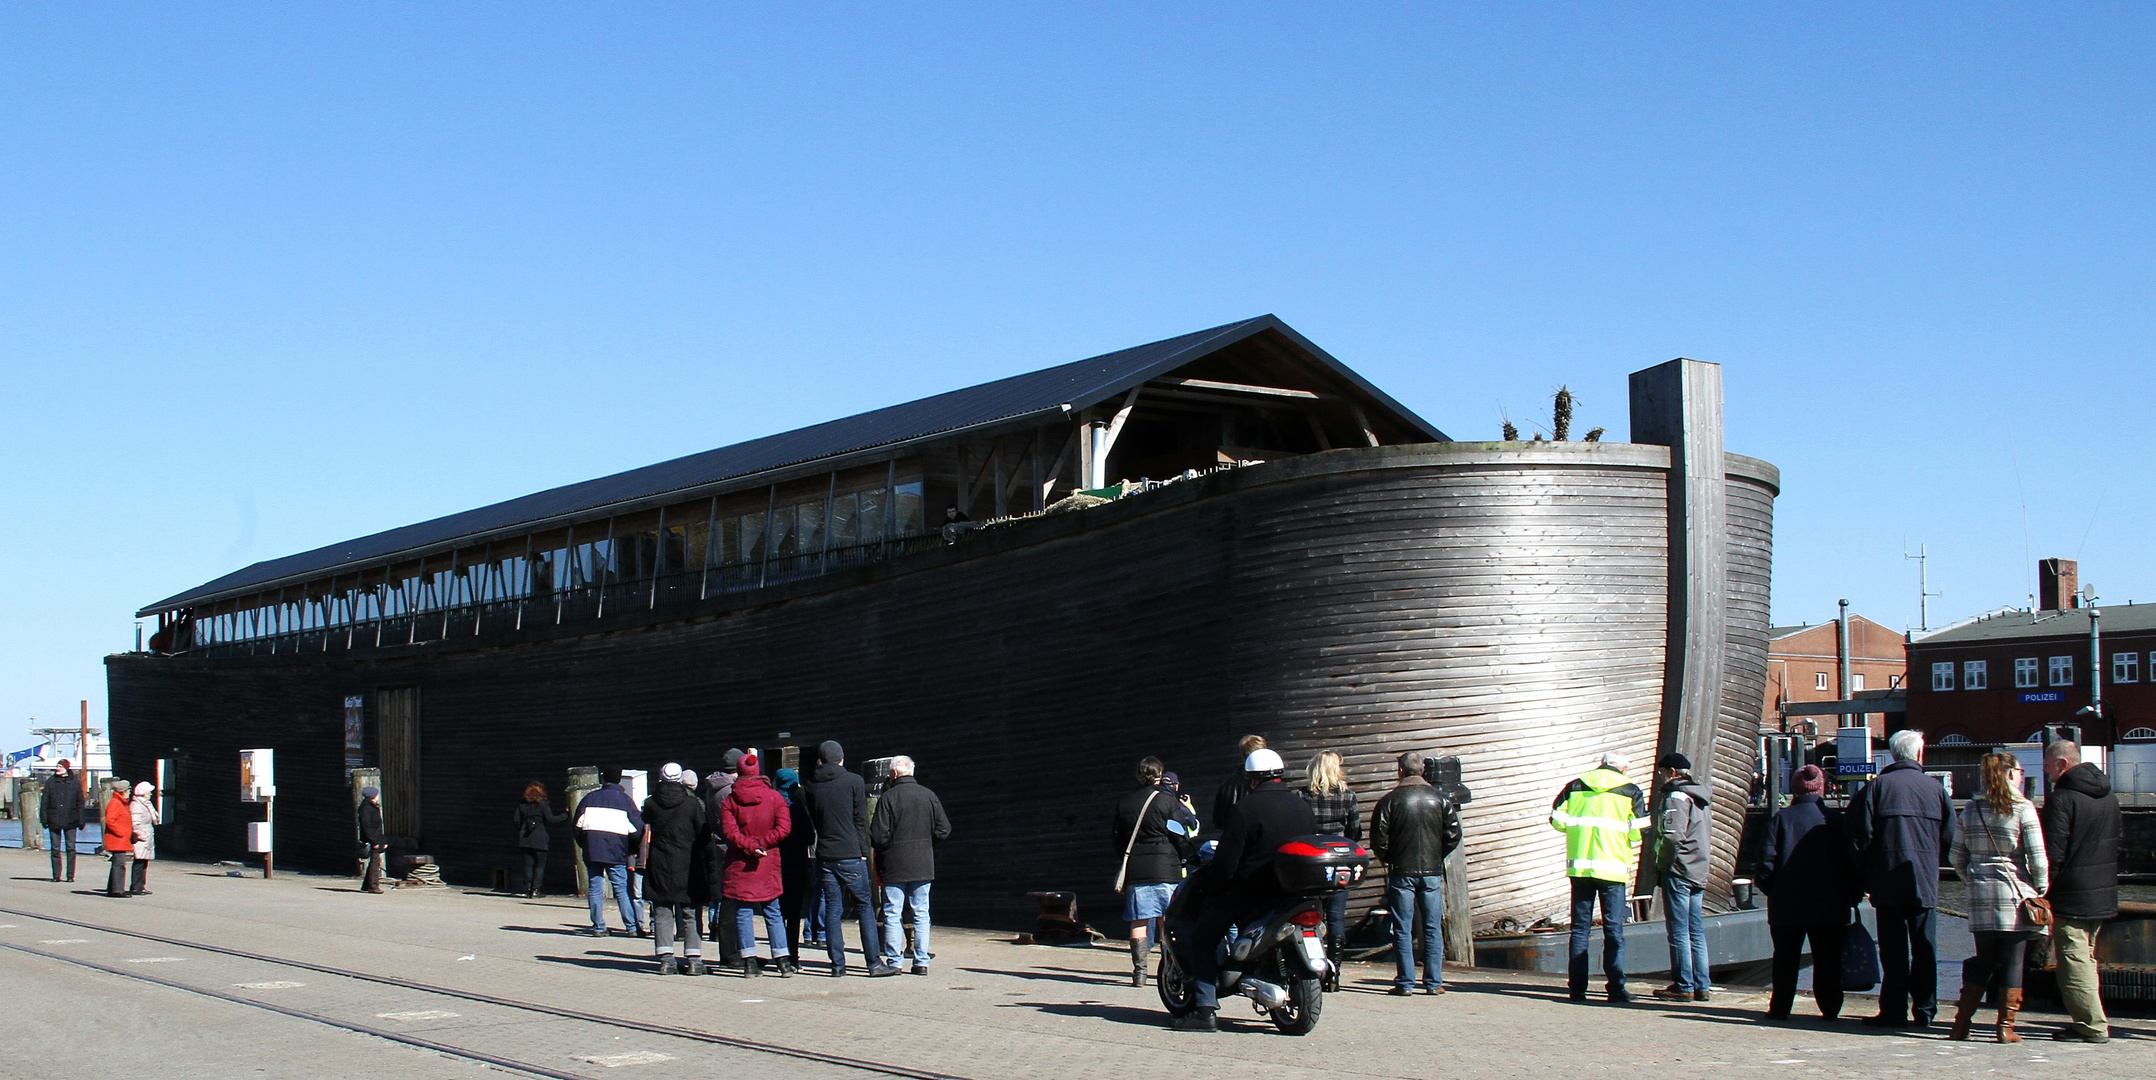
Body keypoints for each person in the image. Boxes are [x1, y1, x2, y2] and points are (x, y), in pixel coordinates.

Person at [1168, 748, 1317, 1032]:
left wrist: (1217, 888)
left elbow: (1227, 860)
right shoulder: (1301, 805)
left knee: (1201, 937)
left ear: (1251, 778)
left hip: (1251, 893)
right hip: (1291, 894)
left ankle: (1204, 1010)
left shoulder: (1245, 808)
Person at [1846, 728, 1953, 1028]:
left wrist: (1865, 877)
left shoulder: (1876, 789)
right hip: (1925, 882)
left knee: (1893, 951)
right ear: (1919, 753)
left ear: (1893, 755)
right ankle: (1926, 1009)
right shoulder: (1936, 790)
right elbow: (1950, 838)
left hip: (1887, 881)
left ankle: (1893, 1009)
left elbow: (1858, 839)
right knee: (1925, 948)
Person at [1945, 752, 2047, 1042]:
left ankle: (1961, 1023)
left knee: (1984, 960)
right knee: (2013, 961)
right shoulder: (2023, 808)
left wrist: (1971, 879)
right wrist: (2039, 888)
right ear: (2012, 773)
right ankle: (2005, 1027)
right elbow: (2037, 858)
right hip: (2014, 894)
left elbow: (1955, 856)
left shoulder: (1972, 809)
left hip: (1980, 894)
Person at [1550, 751, 1648, 1003]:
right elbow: (1639, 831)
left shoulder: (1575, 786)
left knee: (1580, 929)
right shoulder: (1630, 790)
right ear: (1622, 769)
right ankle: (1616, 989)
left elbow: (1557, 820)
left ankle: (1577, 989)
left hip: (1580, 868)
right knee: (1613, 929)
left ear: (1601, 764)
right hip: (1613, 868)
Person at [2040, 738, 2121, 1043]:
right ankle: (2091, 1019)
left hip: (2072, 894)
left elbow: (2054, 852)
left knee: (2073, 961)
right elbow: (2118, 842)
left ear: (2062, 763)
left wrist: (2046, 890)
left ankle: (2091, 1025)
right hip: (2102, 890)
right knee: (2086, 956)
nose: (2045, 770)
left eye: (2048, 764)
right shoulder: (2109, 796)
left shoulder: (2062, 798)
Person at [1759, 764, 1854, 1021]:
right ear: (1821, 787)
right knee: (1828, 959)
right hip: (1830, 904)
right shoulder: (1836, 821)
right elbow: (1851, 862)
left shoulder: (1781, 819)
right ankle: (1830, 1007)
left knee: (1785, 959)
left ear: (1795, 789)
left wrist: (1773, 890)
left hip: (1787, 904)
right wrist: (1851, 894)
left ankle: (1780, 1008)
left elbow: (1766, 862)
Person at [1369, 751, 1464, 997]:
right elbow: (1453, 834)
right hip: (1431, 870)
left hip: (1401, 871)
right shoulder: (1440, 799)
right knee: (1432, 926)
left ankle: (1405, 982)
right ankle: (1433, 982)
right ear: (1422, 770)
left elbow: (1378, 839)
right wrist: (1437, 854)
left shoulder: (1389, 801)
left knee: (1402, 927)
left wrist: (1388, 859)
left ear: (1400, 771)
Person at [804, 741, 896, 977]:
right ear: (841, 758)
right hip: (851, 851)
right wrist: (864, 851)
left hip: (826, 852)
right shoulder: (854, 781)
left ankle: (837, 965)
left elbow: (815, 818)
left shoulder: (811, 785)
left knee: (833, 908)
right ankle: (873, 963)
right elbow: (860, 820)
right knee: (864, 906)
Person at [1113, 756, 1199, 987]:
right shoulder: (1167, 802)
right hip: (1165, 867)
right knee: (1166, 920)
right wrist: (1186, 856)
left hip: (1137, 869)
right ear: (1160, 775)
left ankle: (1139, 973)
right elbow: (1179, 834)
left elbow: (1118, 839)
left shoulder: (1125, 802)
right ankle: (1167, 968)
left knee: (1138, 920)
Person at [871, 755, 952, 976]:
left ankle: (895, 962)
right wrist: (926, 844)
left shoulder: (888, 798)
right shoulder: (929, 796)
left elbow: (878, 835)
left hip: (894, 864)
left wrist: (888, 848)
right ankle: (921, 961)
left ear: (894, 774)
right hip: (922, 863)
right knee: (921, 913)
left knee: (892, 912)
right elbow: (943, 829)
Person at [723, 753, 794, 977]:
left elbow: (729, 832)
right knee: (773, 910)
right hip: (767, 861)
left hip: (740, 862)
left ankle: (749, 963)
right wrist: (761, 844)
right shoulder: (775, 798)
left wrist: (749, 846)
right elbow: (784, 828)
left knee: (743, 911)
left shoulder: (730, 800)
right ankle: (783, 961)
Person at [1651, 752, 1713, 1003]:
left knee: (1678, 930)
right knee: (1695, 929)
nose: (1659, 776)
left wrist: (1663, 863)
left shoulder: (1676, 797)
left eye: (1661, 771)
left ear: (1672, 772)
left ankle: (1683, 985)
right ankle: (1702, 984)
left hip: (1679, 869)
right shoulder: (1700, 796)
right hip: (1698, 867)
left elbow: (1672, 836)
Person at [1300, 750, 1363, 974]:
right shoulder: (1348, 796)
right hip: (1340, 860)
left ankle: (1315, 965)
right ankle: (1334, 970)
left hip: (1312, 860)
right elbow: (1355, 831)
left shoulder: (1303, 796)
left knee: (1313, 915)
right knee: (1336, 916)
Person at [642, 763, 707, 975]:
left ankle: (666, 959)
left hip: (660, 862)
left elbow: (642, 824)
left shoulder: (651, 804)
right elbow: (703, 833)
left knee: (662, 910)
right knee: (690, 911)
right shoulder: (692, 804)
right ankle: (694, 960)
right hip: (687, 863)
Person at [575, 768, 645, 937]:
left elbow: (576, 827)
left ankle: (599, 927)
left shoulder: (589, 798)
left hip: (592, 849)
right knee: (621, 888)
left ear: (602, 778)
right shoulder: (625, 801)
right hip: (616, 850)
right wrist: (631, 848)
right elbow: (638, 828)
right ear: (620, 780)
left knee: (595, 887)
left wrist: (584, 844)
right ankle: (632, 927)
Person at [700, 752, 743, 967]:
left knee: (728, 899)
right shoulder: (729, 790)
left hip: (719, 844)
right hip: (730, 846)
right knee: (732, 901)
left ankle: (733, 950)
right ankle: (731, 952)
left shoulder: (713, 787)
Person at [775, 767, 816, 969]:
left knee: (776, 913)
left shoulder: (771, 804)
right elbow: (810, 836)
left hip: (775, 865)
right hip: (797, 864)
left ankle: (779, 954)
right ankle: (792, 956)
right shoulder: (798, 807)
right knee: (793, 914)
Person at [513, 782, 568, 898]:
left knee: (528, 865)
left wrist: (522, 829)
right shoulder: (542, 804)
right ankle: (536, 890)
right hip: (540, 838)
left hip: (525, 838)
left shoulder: (521, 804)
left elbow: (516, 820)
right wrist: (566, 815)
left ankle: (528, 888)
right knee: (540, 866)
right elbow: (551, 819)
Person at [40, 759, 84, 882]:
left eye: (60, 766)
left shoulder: (75, 782)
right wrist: (44, 818)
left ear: (66, 768)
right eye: (57, 766)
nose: (57, 768)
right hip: (54, 819)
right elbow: (45, 802)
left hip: (71, 819)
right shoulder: (51, 782)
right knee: (55, 848)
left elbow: (80, 802)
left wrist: (81, 820)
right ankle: (56, 875)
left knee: (70, 848)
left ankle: (70, 876)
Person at [1212, 734, 1268, 829]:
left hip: (1236, 839)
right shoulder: (1269, 783)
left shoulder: (1227, 785)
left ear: (1242, 755)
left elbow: (1218, 821)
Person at [102, 782, 137, 898]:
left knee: (117, 863)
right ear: (123, 791)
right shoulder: (115, 803)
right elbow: (110, 820)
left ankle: (112, 888)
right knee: (119, 864)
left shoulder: (121, 803)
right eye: (128, 790)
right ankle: (117, 889)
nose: (130, 793)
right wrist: (121, 832)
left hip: (121, 839)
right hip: (117, 839)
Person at [128, 781, 157, 895]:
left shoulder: (145, 804)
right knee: (139, 862)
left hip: (147, 835)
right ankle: (136, 886)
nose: (150, 794)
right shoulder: (137, 805)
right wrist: (142, 835)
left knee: (144, 862)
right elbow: (135, 823)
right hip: (142, 838)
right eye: (149, 792)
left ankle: (141, 885)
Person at [358, 785, 388, 893]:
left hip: (376, 839)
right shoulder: (366, 809)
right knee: (375, 863)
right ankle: (373, 886)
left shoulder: (372, 807)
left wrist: (383, 841)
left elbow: (378, 827)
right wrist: (374, 841)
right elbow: (367, 827)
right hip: (372, 840)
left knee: (374, 862)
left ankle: (367, 885)